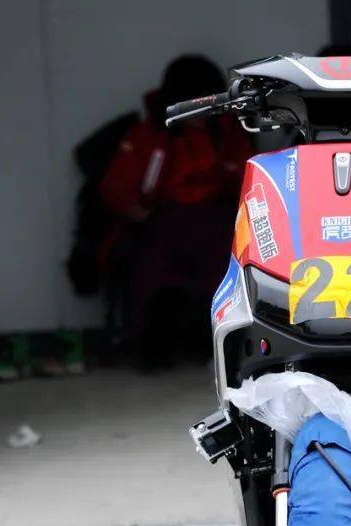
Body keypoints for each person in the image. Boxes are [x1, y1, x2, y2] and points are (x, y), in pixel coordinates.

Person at [98, 54, 253, 369]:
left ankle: (223, 344)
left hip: (218, 224)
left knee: (224, 265)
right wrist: (133, 209)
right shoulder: (150, 134)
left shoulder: (228, 132)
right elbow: (115, 187)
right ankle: (151, 344)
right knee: (151, 270)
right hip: (162, 224)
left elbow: (250, 182)